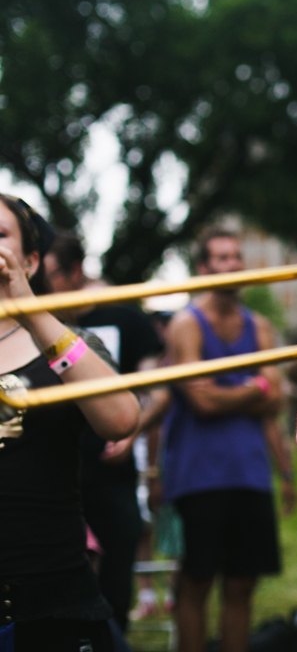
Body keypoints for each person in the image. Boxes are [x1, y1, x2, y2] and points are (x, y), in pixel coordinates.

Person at [0, 193, 140, 651]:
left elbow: (120, 419)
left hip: (53, 593)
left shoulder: (67, 340)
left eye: (0, 235)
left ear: (32, 259)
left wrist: (30, 310)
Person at [161, 229, 289, 652]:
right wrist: (255, 389)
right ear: (203, 268)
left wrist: (285, 472)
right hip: (198, 476)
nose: (232, 265)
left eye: (236, 257)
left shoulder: (260, 326)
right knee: (195, 582)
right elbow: (201, 402)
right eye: (221, 258)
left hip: (250, 474)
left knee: (242, 584)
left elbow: (276, 403)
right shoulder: (186, 323)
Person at [42, 233, 165, 632]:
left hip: (109, 475)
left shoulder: (125, 319)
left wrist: (131, 430)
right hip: (54, 477)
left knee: (114, 581)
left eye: (50, 275)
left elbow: (159, 391)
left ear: (74, 272)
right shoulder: (29, 327)